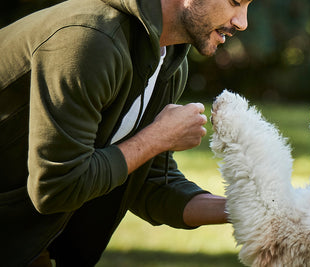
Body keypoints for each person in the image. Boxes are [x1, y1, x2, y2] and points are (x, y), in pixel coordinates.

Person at [0, 0, 252, 265]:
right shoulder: (90, 40)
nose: (242, 22)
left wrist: (250, 210)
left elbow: (148, 181)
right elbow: (57, 187)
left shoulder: (168, 62)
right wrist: (157, 137)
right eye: (235, 2)